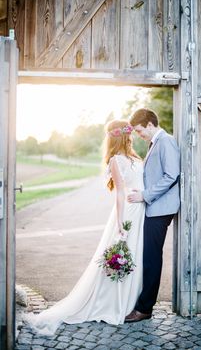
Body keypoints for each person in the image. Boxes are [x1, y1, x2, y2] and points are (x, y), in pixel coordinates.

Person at [24, 120, 145, 336]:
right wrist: (119, 223)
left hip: (140, 210)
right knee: (123, 254)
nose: (132, 136)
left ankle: (131, 302)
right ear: (122, 136)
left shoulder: (134, 157)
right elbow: (119, 192)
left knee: (136, 254)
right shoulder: (116, 160)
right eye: (129, 133)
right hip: (128, 213)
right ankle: (113, 304)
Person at [125, 108, 180, 322]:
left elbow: (171, 175)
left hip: (160, 209)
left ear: (149, 124)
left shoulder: (165, 141)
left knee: (151, 259)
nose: (139, 135)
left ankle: (145, 308)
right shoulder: (155, 142)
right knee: (149, 257)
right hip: (155, 208)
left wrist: (144, 195)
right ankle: (143, 305)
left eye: (140, 131)